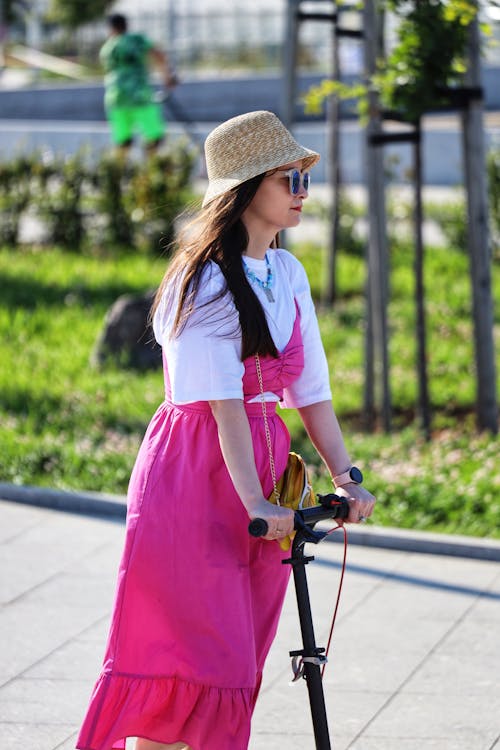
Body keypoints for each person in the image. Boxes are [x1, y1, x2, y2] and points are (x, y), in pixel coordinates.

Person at [76, 110, 376, 750]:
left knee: (234, 666)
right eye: (288, 179)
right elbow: (222, 406)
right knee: (190, 668)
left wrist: (346, 477)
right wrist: (257, 504)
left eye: (304, 179)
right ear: (245, 190)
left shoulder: (288, 274)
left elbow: (311, 392)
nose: (301, 192)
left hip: (258, 484)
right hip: (195, 480)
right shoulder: (203, 279)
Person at [100, 13, 177, 154]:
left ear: (110, 28)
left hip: (115, 99)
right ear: (126, 25)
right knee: (155, 137)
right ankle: (153, 170)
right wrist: (167, 77)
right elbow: (158, 56)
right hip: (139, 96)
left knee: (123, 141)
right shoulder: (136, 40)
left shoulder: (107, 48)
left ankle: (118, 173)